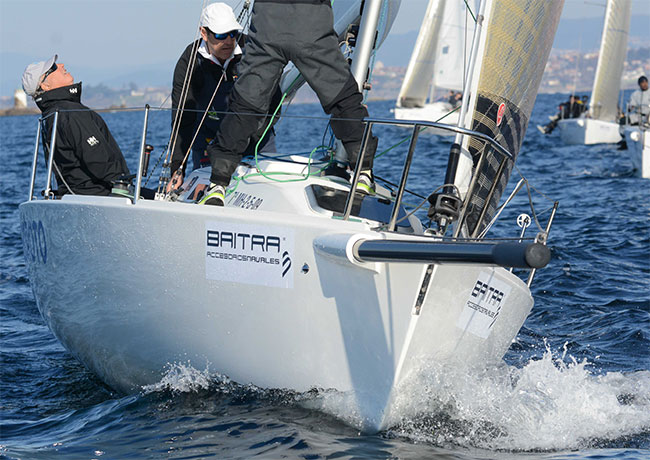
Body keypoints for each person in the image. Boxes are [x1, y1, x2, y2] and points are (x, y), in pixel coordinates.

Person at [201, 0, 378, 206]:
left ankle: (218, 184)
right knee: (342, 98)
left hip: (268, 21)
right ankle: (363, 172)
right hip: (311, 19)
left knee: (245, 105)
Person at [169, 2, 277, 187]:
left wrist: (252, 133)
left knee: (265, 189)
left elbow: (274, 100)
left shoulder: (252, 51)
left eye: (232, 33)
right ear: (204, 33)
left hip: (256, 138)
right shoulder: (190, 61)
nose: (228, 41)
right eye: (220, 35)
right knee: (203, 192)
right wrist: (177, 168)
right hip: (210, 141)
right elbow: (182, 118)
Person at [22, 55, 131, 196]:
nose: (60, 65)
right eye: (53, 68)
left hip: (78, 193)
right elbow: (97, 158)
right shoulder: (70, 112)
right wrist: (121, 183)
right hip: (99, 193)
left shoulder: (53, 113)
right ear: (45, 85)